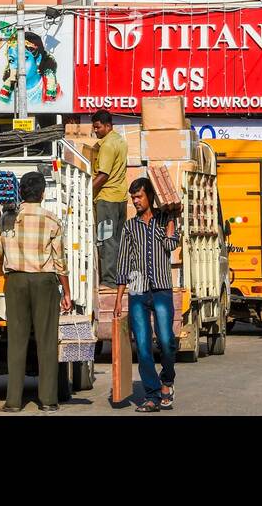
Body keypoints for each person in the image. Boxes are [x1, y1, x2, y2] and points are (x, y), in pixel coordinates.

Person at [0, 170, 72, 413]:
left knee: (16, 342)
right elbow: (60, 261)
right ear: (42, 193)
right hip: (44, 282)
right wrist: (66, 292)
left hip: (15, 282)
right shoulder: (52, 220)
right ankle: (48, 400)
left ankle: (13, 401)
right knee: (46, 340)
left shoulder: (7, 219)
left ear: (21, 192)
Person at [114, 176, 180, 413]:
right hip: (138, 291)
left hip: (162, 289)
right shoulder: (130, 227)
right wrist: (119, 298)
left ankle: (168, 381)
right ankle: (151, 395)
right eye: (133, 198)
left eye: (139, 196)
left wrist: (170, 221)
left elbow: (171, 246)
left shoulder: (165, 220)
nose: (136, 201)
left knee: (166, 341)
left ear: (150, 196)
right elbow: (123, 262)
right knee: (142, 345)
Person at [91, 109, 128, 288]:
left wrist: (86, 189)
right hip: (121, 198)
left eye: (98, 127)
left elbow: (103, 174)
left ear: (107, 126)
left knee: (106, 240)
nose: (95, 131)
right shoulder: (120, 141)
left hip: (107, 198)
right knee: (118, 240)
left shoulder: (106, 145)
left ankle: (109, 280)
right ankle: (120, 278)